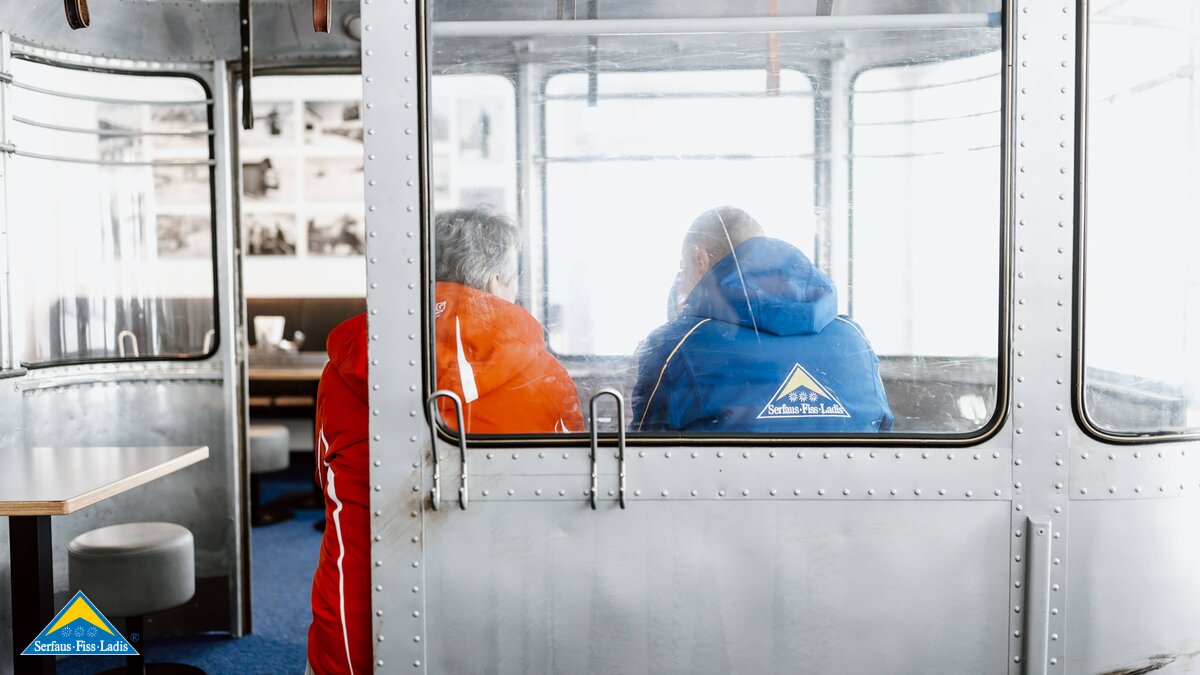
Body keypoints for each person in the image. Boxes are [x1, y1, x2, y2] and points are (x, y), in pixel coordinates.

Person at [307, 208, 583, 675]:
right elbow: (572, 487)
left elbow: (325, 475)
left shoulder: (342, 369)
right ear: (498, 282)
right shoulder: (545, 374)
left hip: (358, 638)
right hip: (504, 631)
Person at [632, 206, 893, 433]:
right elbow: (883, 437)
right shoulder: (854, 339)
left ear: (700, 259)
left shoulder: (674, 347)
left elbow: (641, 456)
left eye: (683, 265)